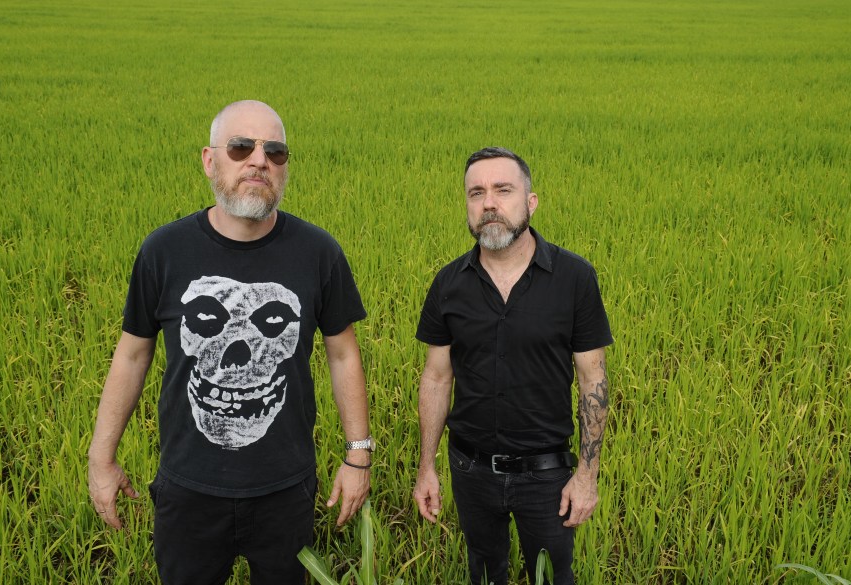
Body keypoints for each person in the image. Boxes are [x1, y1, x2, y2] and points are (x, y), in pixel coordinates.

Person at [88, 100, 375, 585]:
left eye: (275, 151)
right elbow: (133, 354)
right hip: (187, 488)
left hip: (286, 488)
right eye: (241, 147)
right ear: (209, 160)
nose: (259, 160)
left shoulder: (318, 252)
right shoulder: (164, 251)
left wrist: (358, 455)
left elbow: (343, 354)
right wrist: (101, 458)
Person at [412, 147, 613, 585]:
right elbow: (437, 377)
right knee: (484, 573)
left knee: (553, 576)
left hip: (547, 476)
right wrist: (427, 467)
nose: (489, 203)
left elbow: (592, 379)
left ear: (530, 202)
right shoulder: (448, 284)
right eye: (476, 193)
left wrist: (587, 476)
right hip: (471, 470)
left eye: (503, 190)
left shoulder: (575, 279)